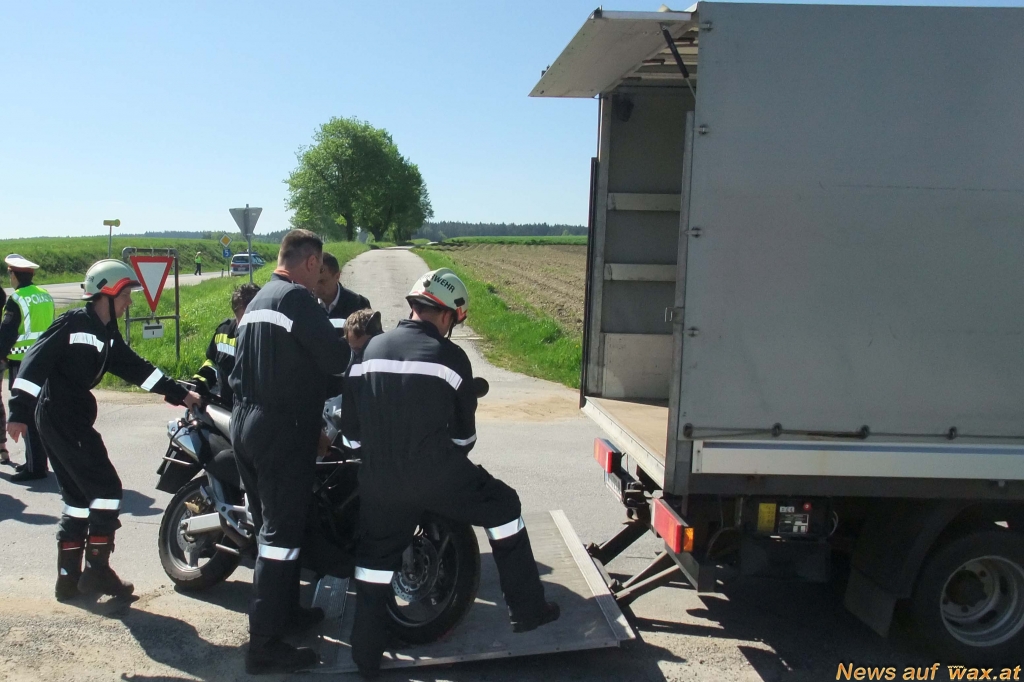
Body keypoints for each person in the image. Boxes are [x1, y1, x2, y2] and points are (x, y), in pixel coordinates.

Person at [341, 268, 559, 678]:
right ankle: (527, 609)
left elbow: (351, 436)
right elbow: (464, 438)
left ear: (414, 305)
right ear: (446, 314)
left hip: (379, 481)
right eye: (454, 320)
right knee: (504, 506)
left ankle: (365, 656)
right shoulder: (451, 358)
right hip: (437, 475)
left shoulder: (368, 351)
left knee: (373, 563)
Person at [6, 259, 201, 602]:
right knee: (107, 489)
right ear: (107, 293)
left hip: (69, 418)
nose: (130, 302)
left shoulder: (106, 333)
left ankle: (68, 580)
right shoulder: (73, 323)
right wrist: (18, 411)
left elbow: (137, 369)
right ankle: (97, 572)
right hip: (61, 418)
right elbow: (34, 362)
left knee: (78, 500)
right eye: (125, 295)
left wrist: (180, 393)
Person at [228, 229, 349, 674]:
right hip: (281, 428)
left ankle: (285, 614)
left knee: (274, 528)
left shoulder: (259, 300)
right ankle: (263, 646)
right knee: (279, 539)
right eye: (319, 271)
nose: (319, 281)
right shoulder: (297, 300)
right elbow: (335, 360)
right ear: (311, 262)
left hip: (246, 421)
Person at [0, 254, 55, 482]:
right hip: (46, 361)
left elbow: (7, 333)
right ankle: (37, 461)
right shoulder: (44, 295)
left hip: (22, 363)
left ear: (14, 275)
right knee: (39, 413)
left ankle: (35, 467)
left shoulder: (17, 299)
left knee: (26, 414)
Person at [191, 283, 260, 408]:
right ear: (236, 313)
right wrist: (199, 382)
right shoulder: (224, 332)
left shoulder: (270, 338)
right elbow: (212, 362)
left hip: (255, 411)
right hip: (226, 409)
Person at [314, 252, 370, 360]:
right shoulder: (307, 304)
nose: (316, 286)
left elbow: (368, 345)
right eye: (314, 280)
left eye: (322, 281)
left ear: (337, 276)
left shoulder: (358, 304)